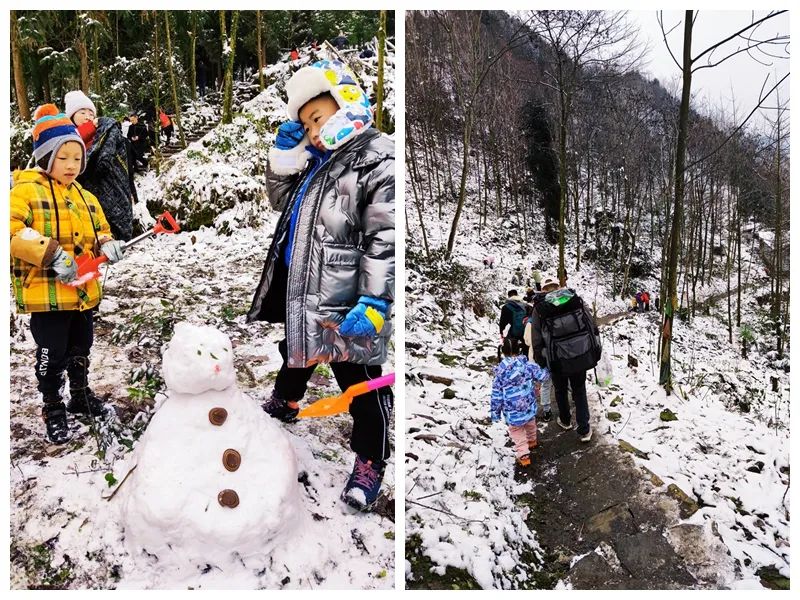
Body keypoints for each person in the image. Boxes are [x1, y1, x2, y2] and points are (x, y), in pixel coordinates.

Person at [246, 60, 394, 513]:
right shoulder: (318, 163)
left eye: (318, 116)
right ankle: (287, 400)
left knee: (361, 384)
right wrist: (285, 161)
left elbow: (385, 237)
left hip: (352, 298)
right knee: (298, 348)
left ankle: (371, 459)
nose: (313, 130)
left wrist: (374, 300)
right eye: (306, 123)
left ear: (346, 101)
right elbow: (281, 202)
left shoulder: (378, 157)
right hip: (305, 286)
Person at [10, 104, 126, 444]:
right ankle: (52, 405)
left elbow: (100, 230)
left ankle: (80, 394)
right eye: (64, 158)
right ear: (46, 158)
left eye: (77, 158)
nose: (72, 166)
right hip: (46, 295)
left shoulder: (87, 197)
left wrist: (108, 244)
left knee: (81, 345)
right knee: (52, 351)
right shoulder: (25, 191)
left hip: (82, 292)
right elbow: (12, 230)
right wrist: (50, 253)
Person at [531, 279, 602, 442]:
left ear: (543, 290)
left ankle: (565, 420)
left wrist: (540, 360)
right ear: (558, 287)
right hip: (580, 353)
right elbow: (591, 324)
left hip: (556, 358)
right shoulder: (573, 299)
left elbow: (536, 338)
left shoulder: (540, 308)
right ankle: (584, 429)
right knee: (579, 389)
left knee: (560, 390)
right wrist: (595, 347)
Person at [65, 90, 135, 241]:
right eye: (82, 112)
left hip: (111, 197)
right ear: (71, 116)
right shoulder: (66, 140)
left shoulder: (106, 131)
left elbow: (100, 165)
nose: (87, 116)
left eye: (91, 113)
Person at [491, 338, 549, 467]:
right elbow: (543, 376)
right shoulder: (528, 366)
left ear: (503, 352)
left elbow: (496, 395)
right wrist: (549, 368)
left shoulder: (500, 373)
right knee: (530, 423)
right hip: (528, 405)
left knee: (517, 431)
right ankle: (532, 441)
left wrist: (495, 413)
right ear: (519, 350)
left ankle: (523, 454)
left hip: (512, 411)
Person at [524, 276, 558, 422]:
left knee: (545, 384)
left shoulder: (533, 319)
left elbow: (528, 340)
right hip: (559, 352)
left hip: (542, 356)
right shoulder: (561, 306)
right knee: (562, 381)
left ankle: (546, 410)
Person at [499, 289, 530, 356]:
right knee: (526, 348)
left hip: (513, 332)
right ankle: (526, 359)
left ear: (509, 296)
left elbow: (502, 322)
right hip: (525, 332)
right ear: (517, 295)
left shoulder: (506, 307)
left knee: (511, 347)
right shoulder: (525, 305)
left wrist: (501, 333)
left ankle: (513, 358)